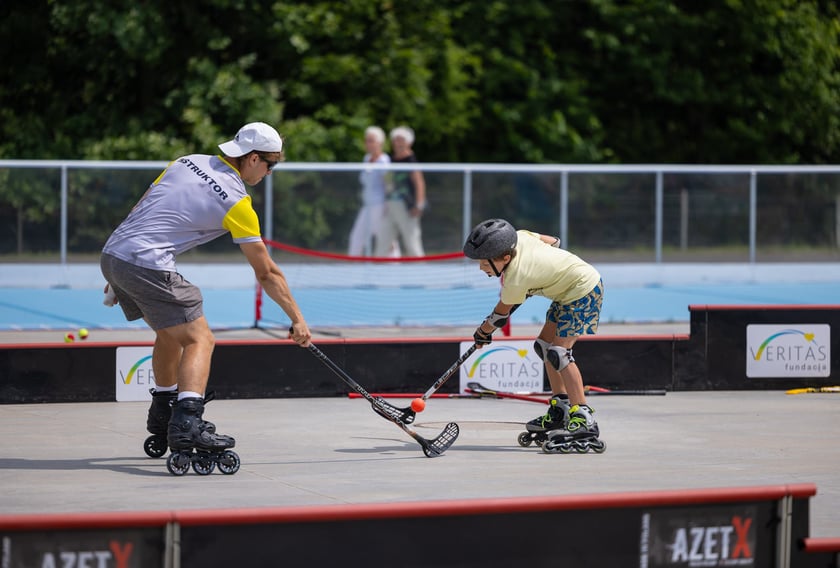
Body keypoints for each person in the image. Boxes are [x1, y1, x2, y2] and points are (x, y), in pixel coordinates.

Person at [100, 122, 312, 468]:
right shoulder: (237, 201)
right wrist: (297, 319)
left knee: (170, 334)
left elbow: (143, 207)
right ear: (253, 158)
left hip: (115, 251)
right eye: (271, 165)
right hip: (145, 262)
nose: (270, 172)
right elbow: (267, 272)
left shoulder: (185, 161)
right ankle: (187, 423)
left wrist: (117, 271)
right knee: (201, 339)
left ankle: (163, 412)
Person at [463, 218, 606, 454]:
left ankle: (584, 418)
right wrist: (541, 273)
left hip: (584, 289)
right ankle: (561, 407)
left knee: (559, 352)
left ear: (505, 258)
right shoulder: (521, 236)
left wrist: (482, 333)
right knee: (543, 346)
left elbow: (499, 316)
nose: (481, 268)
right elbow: (554, 242)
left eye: (485, 263)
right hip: (567, 291)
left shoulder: (515, 278)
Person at [347, 126, 399, 257]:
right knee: (358, 237)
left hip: (379, 205)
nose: (368, 144)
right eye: (366, 140)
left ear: (379, 143)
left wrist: (388, 206)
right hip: (368, 205)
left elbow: (389, 184)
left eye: (371, 140)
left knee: (385, 238)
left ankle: (395, 265)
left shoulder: (384, 161)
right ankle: (353, 268)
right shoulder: (366, 158)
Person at [375, 126, 426, 257]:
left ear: (409, 142)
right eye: (395, 139)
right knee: (383, 240)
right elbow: (387, 182)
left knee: (412, 242)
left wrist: (419, 205)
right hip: (391, 205)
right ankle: (374, 273)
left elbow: (419, 182)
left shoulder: (411, 160)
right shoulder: (390, 160)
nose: (398, 143)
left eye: (401, 139)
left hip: (406, 206)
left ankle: (421, 273)